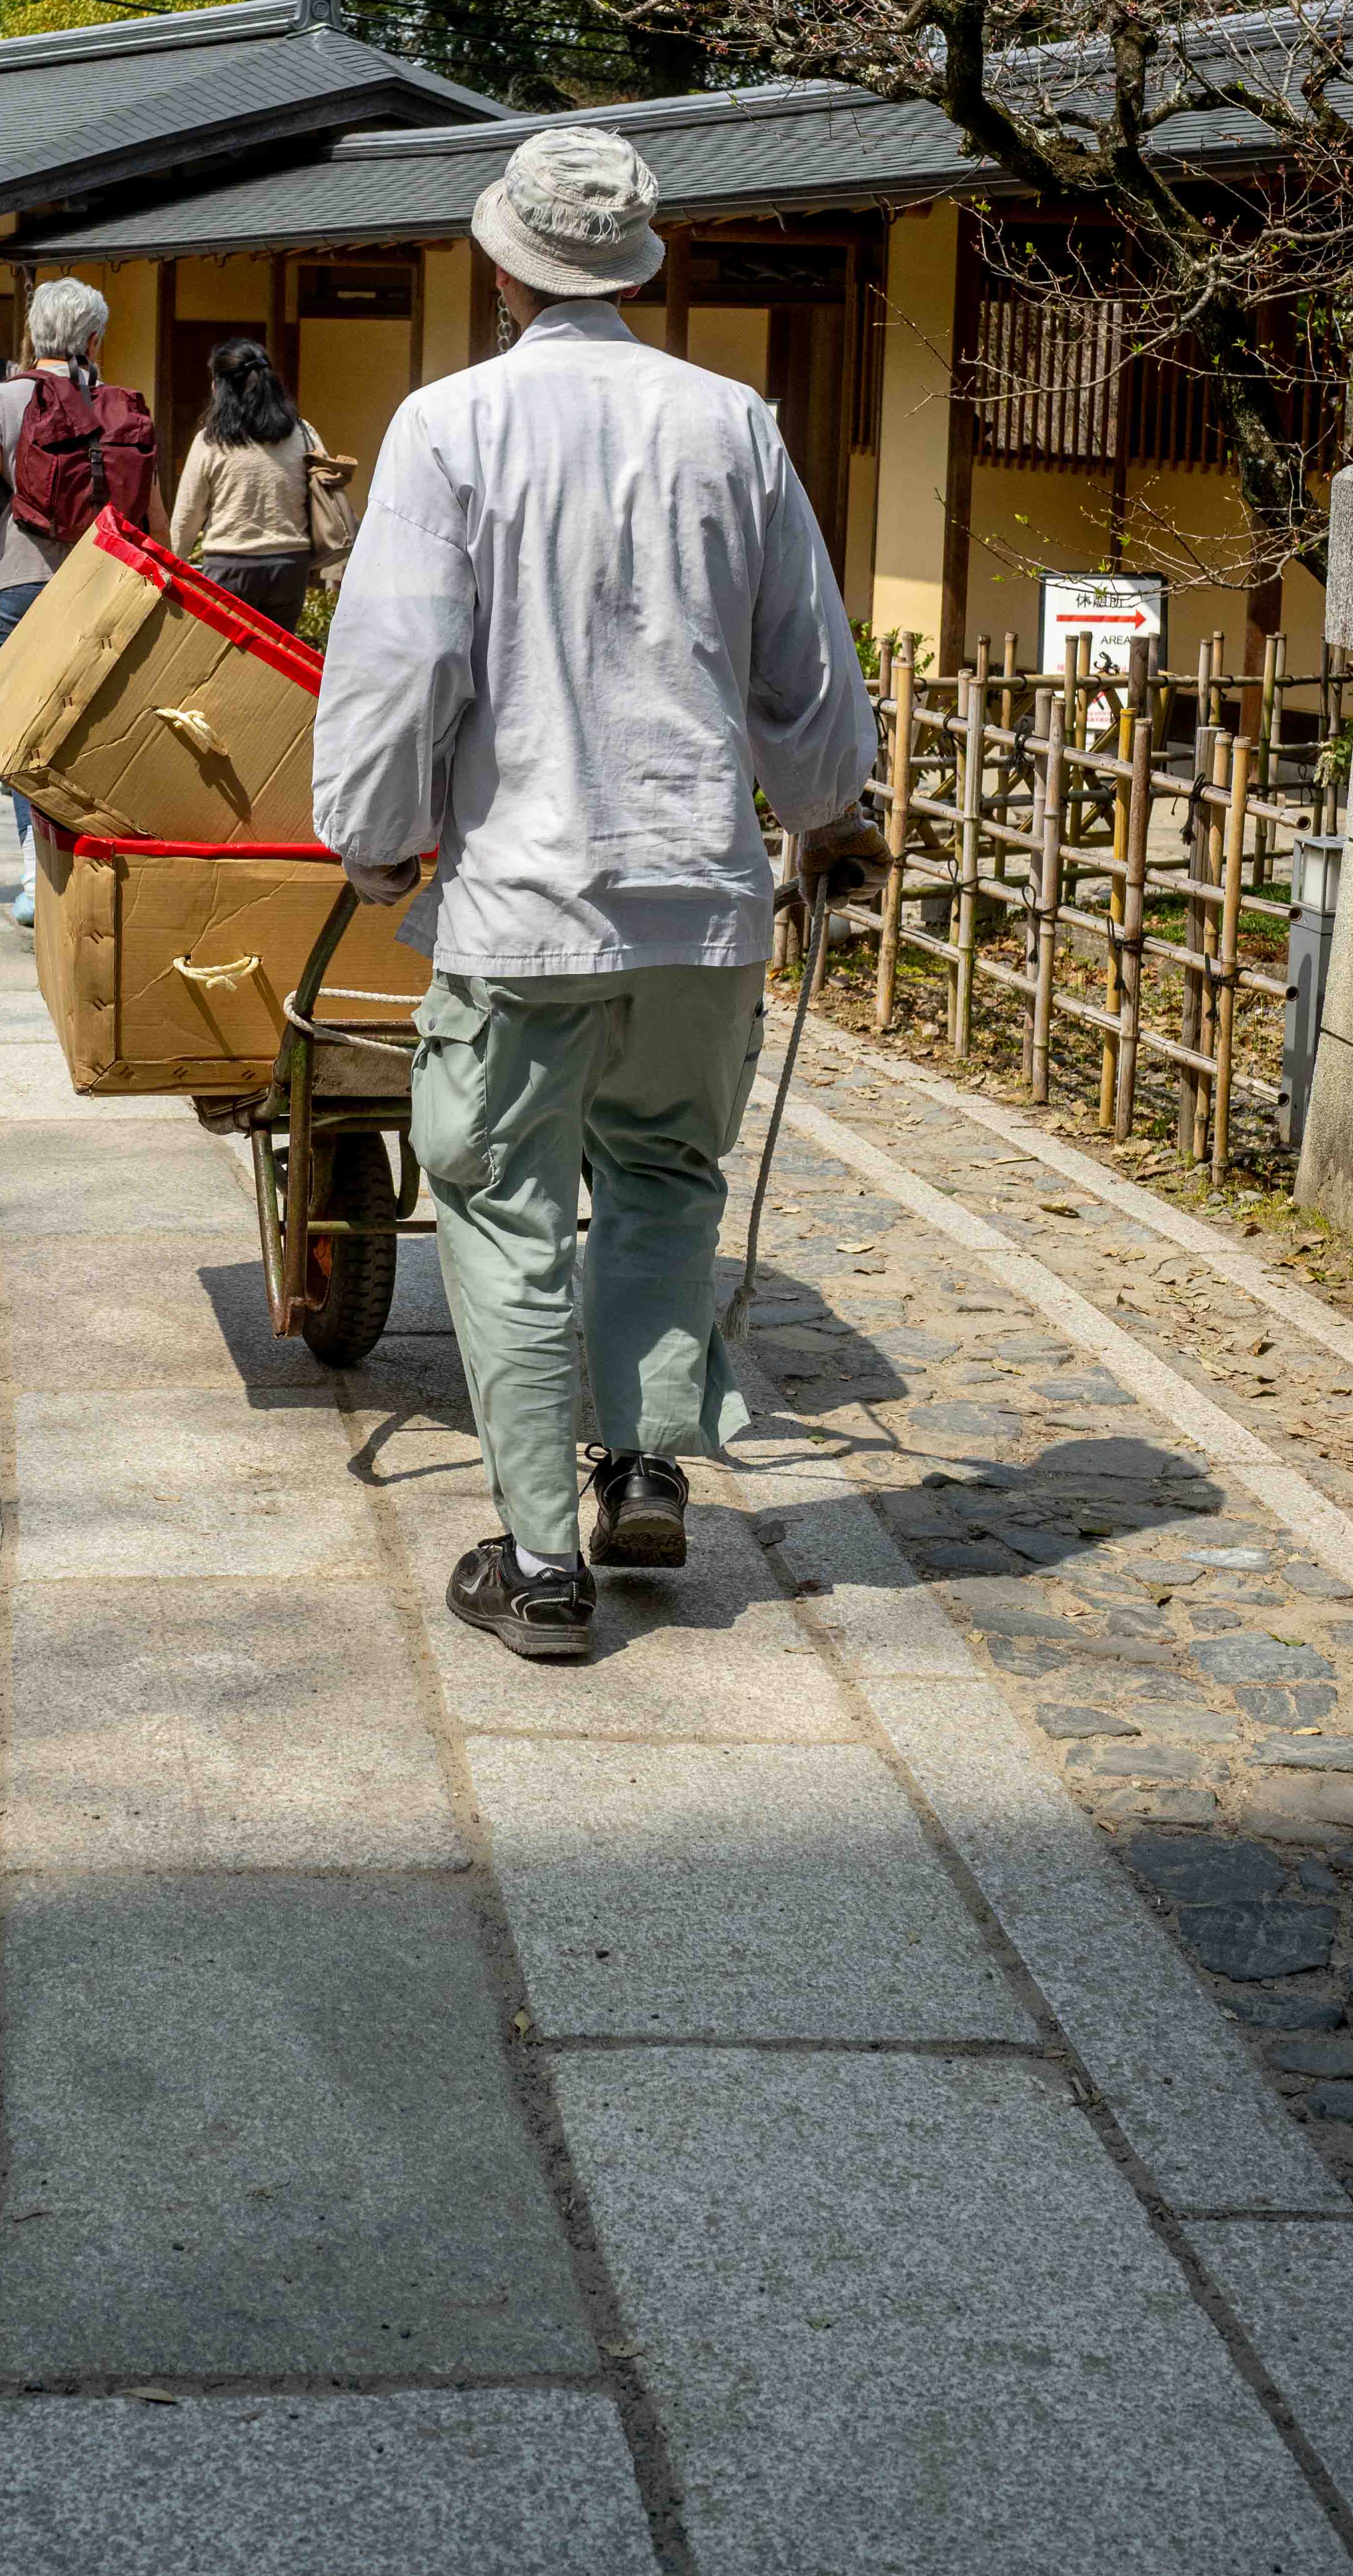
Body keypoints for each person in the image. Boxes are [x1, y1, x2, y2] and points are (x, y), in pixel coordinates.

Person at [311, 123, 876, 1667]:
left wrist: (372, 834)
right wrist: (832, 815)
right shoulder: (734, 426)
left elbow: (400, 664)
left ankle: (543, 1563)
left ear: (499, 264)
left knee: (501, 1206)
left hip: (522, 896)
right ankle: (641, 1463)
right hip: (700, 890)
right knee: (662, 1175)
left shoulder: (450, 427)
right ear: (640, 263)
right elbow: (807, 670)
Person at [0, 275, 103, 931]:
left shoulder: (4, 401)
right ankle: (89, 861)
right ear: (95, 338)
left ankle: (34, 872)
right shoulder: (115, 402)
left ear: (33, 335)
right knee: (88, 724)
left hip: (20, 580)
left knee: (23, 727)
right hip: (99, 580)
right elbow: (150, 514)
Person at [167, 335, 349, 635]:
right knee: (276, 664)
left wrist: (176, 567)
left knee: (226, 661)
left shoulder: (212, 440)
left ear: (221, 387)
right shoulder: (303, 433)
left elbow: (188, 515)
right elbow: (327, 493)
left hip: (230, 567)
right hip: (289, 566)